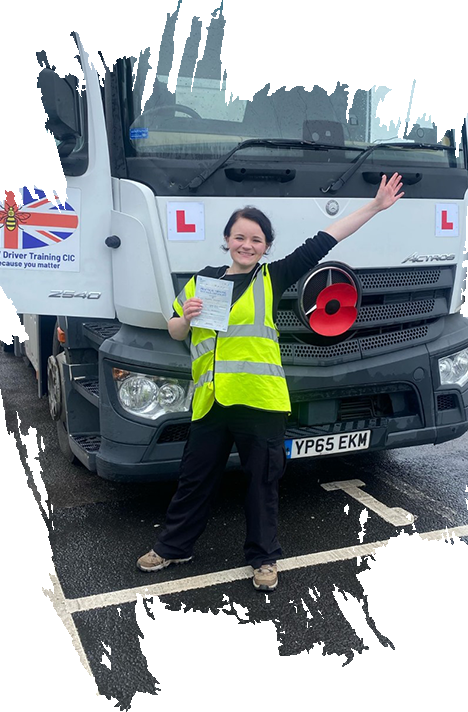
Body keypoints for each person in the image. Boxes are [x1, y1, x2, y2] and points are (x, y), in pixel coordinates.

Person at [137, 173, 404, 591]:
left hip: (260, 401)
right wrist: (184, 318)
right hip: (211, 401)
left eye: (256, 240)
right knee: (194, 478)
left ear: (266, 247)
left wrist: (374, 206)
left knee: (262, 483)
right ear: (227, 240)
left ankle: (263, 558)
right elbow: (175, 330)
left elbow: (324, 240)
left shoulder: (271, 278)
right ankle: (175, 547)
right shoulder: (203, 280)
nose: (247, 245)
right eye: (240, 237)